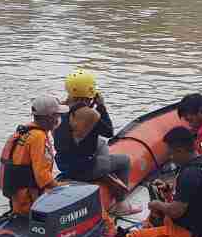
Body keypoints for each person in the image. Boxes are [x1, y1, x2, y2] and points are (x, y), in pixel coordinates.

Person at [125, 127, 202, 237]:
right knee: (157, 218)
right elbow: (196, 194)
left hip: (191, 236)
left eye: (171, 153)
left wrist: (156, 204)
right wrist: (168, 190)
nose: (170, 158)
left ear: (180, 150)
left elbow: (175, 212)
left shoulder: (189, 174)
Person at [55, 69, 140, 215]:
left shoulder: (60, 108)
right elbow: (109, 132)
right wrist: (101, 106)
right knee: (124, 160)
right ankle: (121, 204)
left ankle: (103, 171)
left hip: (64, 165)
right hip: (84, 170)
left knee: (100, 143)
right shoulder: (90, 114)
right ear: (91, 91)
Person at [0, 95, 65, 215]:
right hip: (30, 202)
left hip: (18, 199)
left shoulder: (26, 131)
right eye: (57, 115)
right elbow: (43, 176)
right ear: (49, 117)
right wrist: (62, 190)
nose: (59, 118)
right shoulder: (38, 137)